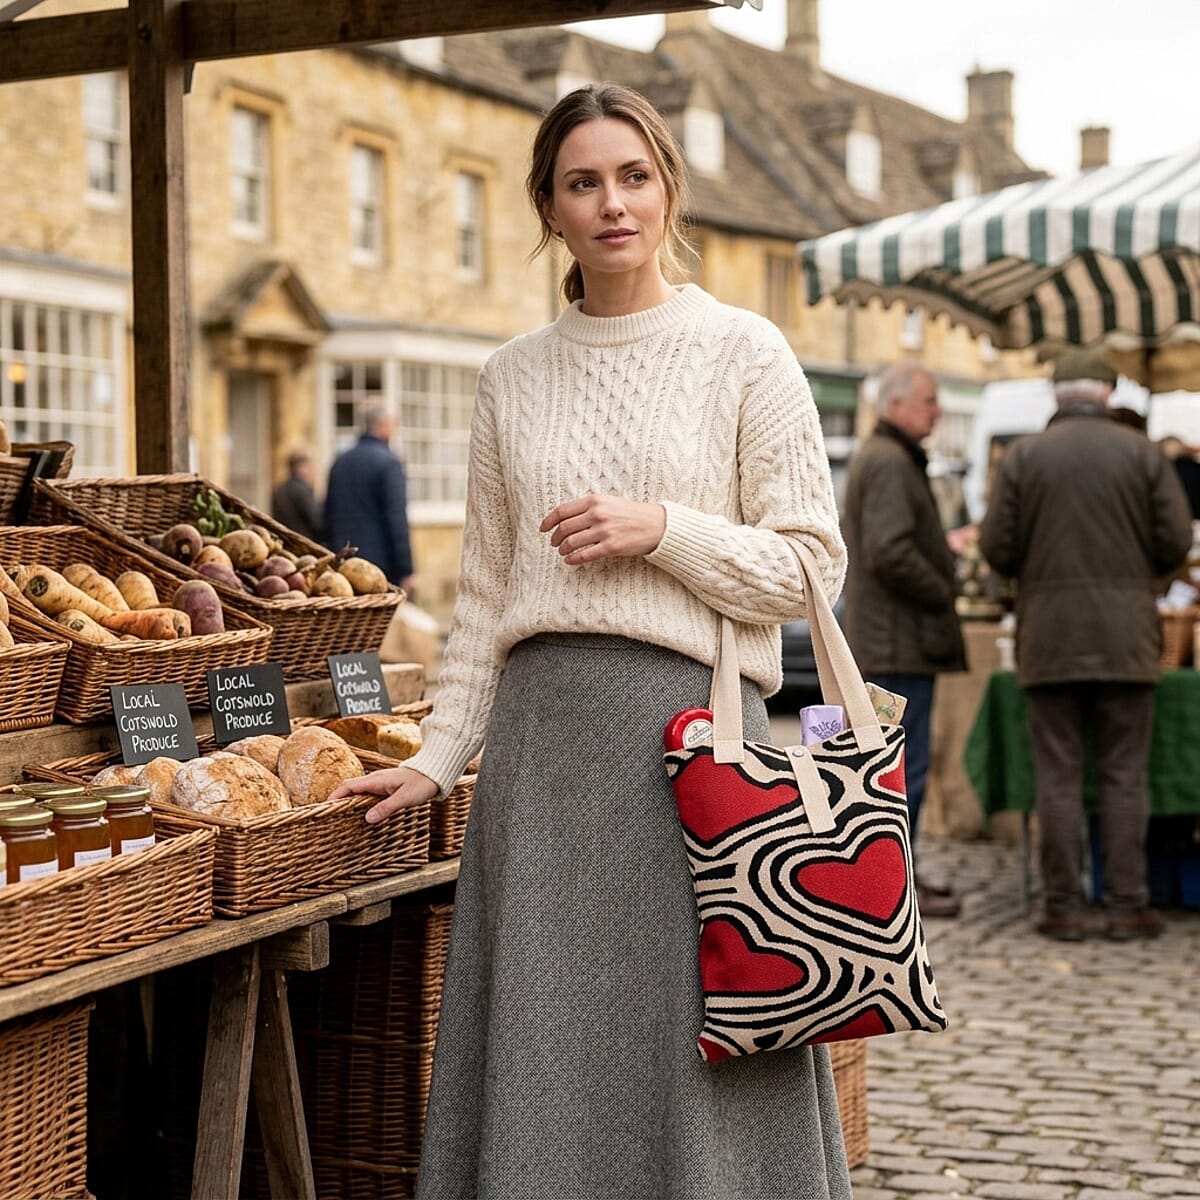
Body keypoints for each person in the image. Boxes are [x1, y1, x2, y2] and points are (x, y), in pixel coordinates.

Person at [330, 82, 852, 1199]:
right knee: (546, 1052)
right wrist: (432, 760)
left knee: (694, 1043)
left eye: (633, 177)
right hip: (543, 759)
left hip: (695, 751)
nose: (612, 203)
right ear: (550, 209)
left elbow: (811, 566)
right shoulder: (511, 376)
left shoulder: (743, 351)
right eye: (583, 183)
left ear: (667, 188)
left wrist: (663, 530)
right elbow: (484, 601)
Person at [979, 347, 1192, 942]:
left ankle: (1063, 907)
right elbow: (1175, 541)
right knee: (1126, 775)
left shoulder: (1023, 456)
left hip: (1049, 639)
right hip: (1127, 637)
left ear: (1056, 393)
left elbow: (996, 547)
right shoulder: (1143, 454)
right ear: (1108, 392)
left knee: (1059, 776)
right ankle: (1127, 905)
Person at [841, 364, 968, 919]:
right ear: (896, 405)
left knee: (885, 769)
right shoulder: (890, 462)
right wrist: (943, 586)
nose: (937, 410)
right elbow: (890, 551)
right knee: (895, 771)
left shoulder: (887, 457)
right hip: (896, 645)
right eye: (929, 400)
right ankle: (891, 889)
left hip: (892, 641)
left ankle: (891, 881)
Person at [324, 405, 416, 595]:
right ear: (382, 425)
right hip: (379, 567)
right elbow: (396, 519)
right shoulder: (389, 462)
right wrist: (406, 569)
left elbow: (327, 515)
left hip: (342, 561)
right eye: (393, 424)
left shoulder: (340, 461)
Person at [270, 448, 325, 545]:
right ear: (301, 467)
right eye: (310, 465)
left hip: (285, 542)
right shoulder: (302, 490)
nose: (313, 470)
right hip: (303, 544)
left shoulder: (279, 489)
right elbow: (316, 522)